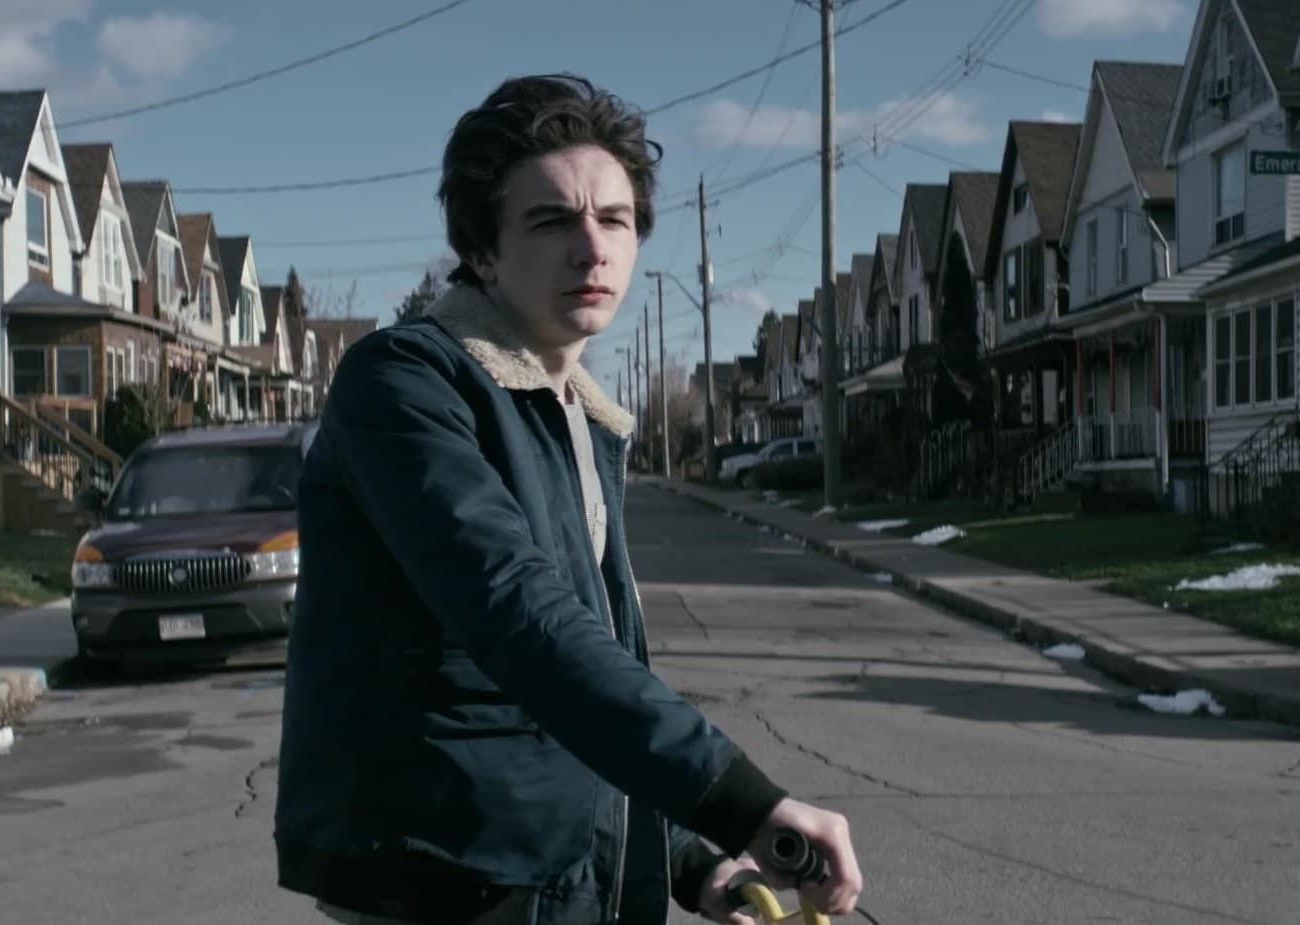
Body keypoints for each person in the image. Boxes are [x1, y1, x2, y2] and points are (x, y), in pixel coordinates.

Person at [274, 73, 863, 925]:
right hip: (449, 884)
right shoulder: (403, 382)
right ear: (482, 251)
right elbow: (517, 614)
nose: (592, 248)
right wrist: (741, 801)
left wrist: (694, 861)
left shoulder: (575, 415)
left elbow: (590, 675)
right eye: (551, 220)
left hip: (562, 881)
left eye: (614, 219)